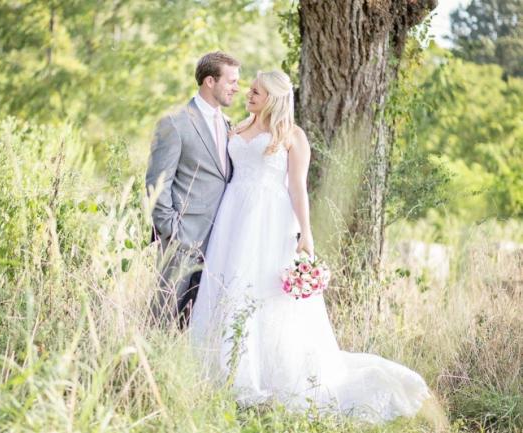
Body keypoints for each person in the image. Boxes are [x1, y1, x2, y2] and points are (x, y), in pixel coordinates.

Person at [189, 70, 432, 422]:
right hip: (233, 217)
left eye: (256, 91)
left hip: (271, 220)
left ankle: (268, 376)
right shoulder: (236, 128)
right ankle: (226, 370)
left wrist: (306, 233)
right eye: (250, 90)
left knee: (266, 292)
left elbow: (297, 188)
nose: (248, 94)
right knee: (230, 284)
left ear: (272, 97)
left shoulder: (292, 136)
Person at [145, 51, 240, 326]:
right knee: (165, 315)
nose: (236, 87)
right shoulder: (175, 121)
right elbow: (157, 182)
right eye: (231, 81)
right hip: (183, 237)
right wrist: (173, 230)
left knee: (201, 320)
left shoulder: (227, 124)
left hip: (221, 238)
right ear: (210, 81)